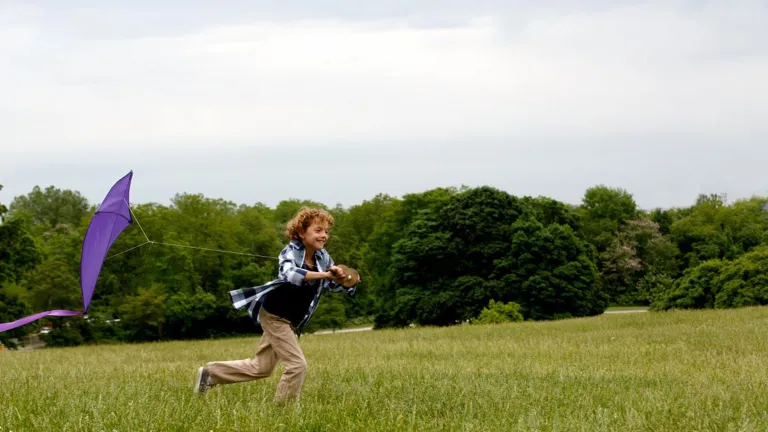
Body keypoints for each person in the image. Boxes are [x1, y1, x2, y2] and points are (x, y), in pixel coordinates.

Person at [193, 207, 359, 406]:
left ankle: (210, 374)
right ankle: (283, 412)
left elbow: (332, 284)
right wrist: (325, 275)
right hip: (275, 315)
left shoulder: (322, 257)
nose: (324, 235)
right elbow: (290, 274)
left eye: (326, 231)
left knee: (261, 368)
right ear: (300, 232)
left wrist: (345, 279)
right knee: (297, 365)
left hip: (291, 321)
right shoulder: (290, 251)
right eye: (318, 230)